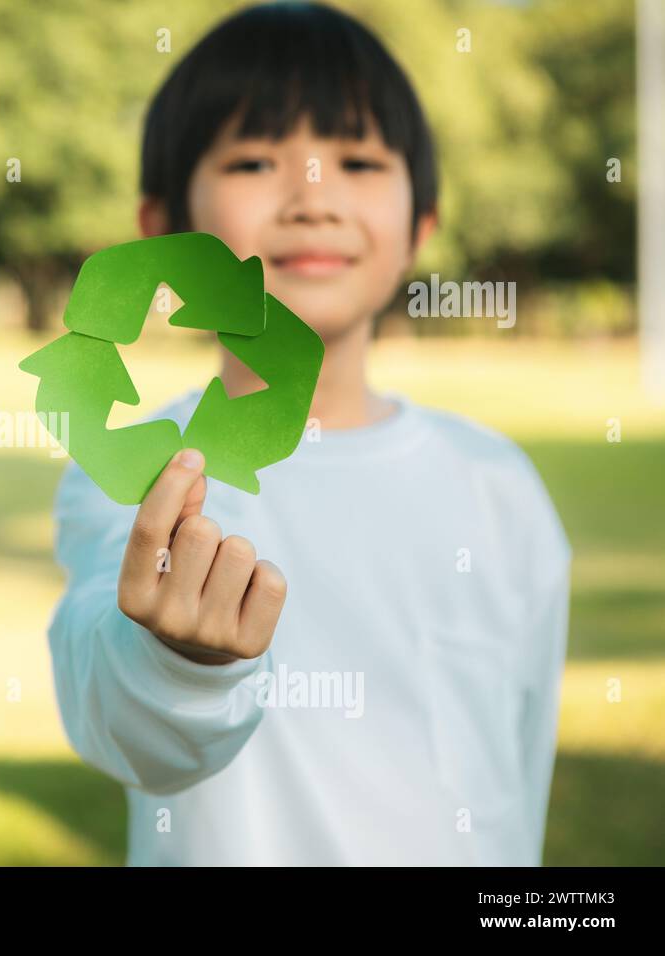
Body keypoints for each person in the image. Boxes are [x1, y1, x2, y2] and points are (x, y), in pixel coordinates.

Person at [46, 1, 571, 865]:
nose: (312, 198)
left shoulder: (497, 485)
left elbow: (518, 772)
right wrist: (176, 665)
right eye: (256, 158)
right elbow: (117, 713)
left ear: (421, 228)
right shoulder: (149, 473)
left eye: (357, 160)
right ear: (163, 232)